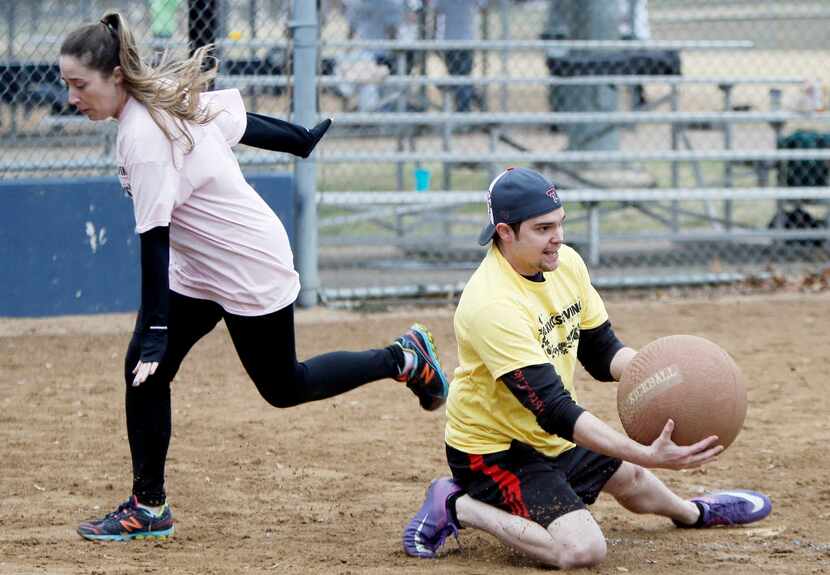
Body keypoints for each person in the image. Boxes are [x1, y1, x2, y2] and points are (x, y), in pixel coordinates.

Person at [59, 11, 450, 542]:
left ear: (116, 78)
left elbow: (153, 238)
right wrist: (299, 140)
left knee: (284, 386)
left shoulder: (143, 134)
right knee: (145, 371)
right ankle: (149, 506)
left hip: (246, 261)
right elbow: (239, 123)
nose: (71, 97)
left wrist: (155, 329)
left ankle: (403, 357)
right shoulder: (162, 100)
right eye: (67, 84)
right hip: (200, 265)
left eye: (80, 84)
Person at [401, 167, 772, 568]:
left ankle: (695, 512)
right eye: (543, 229)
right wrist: (646, 452)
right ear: (505, 233)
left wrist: (671, 372)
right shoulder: (491, 304)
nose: (557, 238)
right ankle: (457, 504)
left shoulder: (565, 264)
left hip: (545, 434)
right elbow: (554, 410)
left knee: (630, 479)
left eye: (560, 224)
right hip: (494, 451)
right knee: (582, 550)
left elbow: (601, 352)